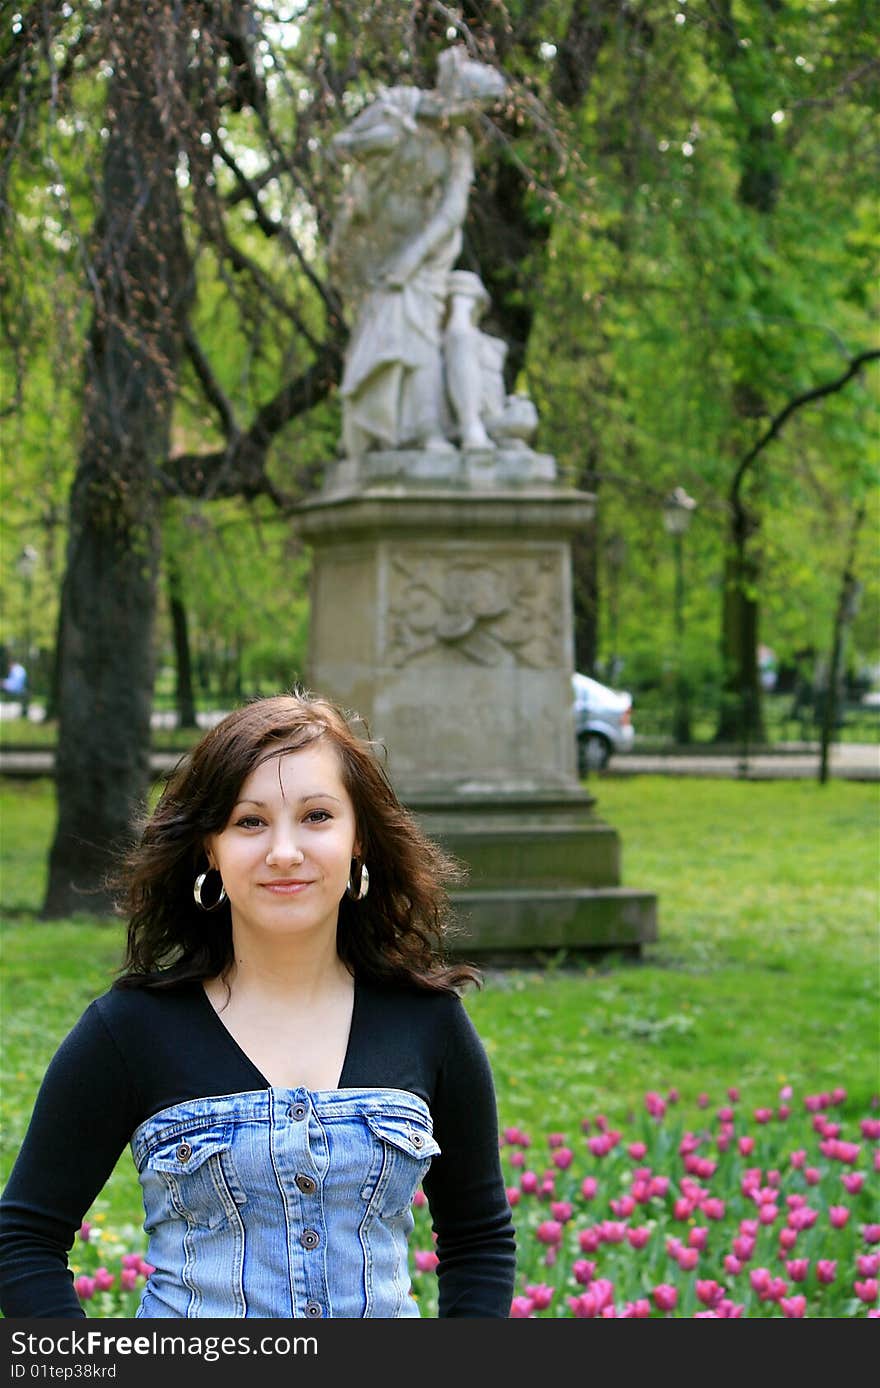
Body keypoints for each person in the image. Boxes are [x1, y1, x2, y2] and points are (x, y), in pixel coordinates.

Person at [0, 691, 516, 1319]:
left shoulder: (427, 1022)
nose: (284, 852)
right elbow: (23, 1238)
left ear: (359, 841)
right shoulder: (131, 1030)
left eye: (317, 816)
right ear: (209, 849)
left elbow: (478, 1241)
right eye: (250, 821)